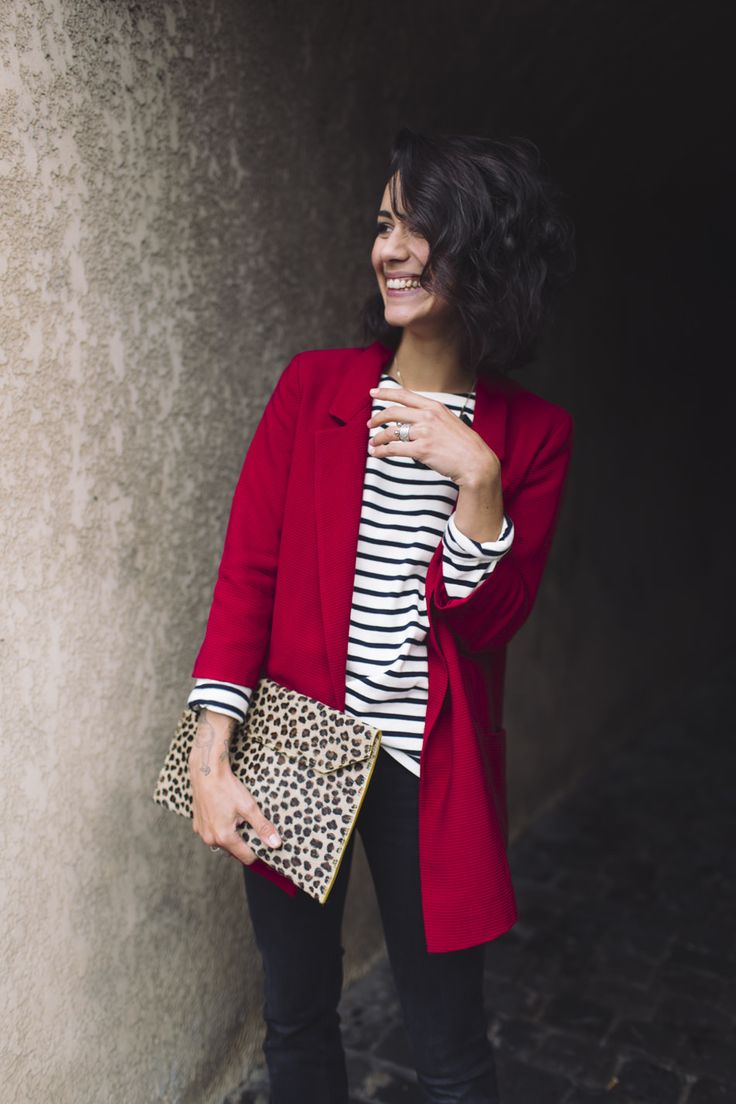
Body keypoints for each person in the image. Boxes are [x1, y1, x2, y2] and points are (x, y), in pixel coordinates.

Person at [185, 128, 575, 1104]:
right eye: (383, 223)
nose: (390, 249)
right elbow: (249, 579)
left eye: (420, 228)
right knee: (296, 1023)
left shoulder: (527, 438)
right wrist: (209, 757)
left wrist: (475, 476)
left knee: (450, 1054)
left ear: (484, 249)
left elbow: (486, 625)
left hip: (428, 764)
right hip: (298, 743)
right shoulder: (315, 387)